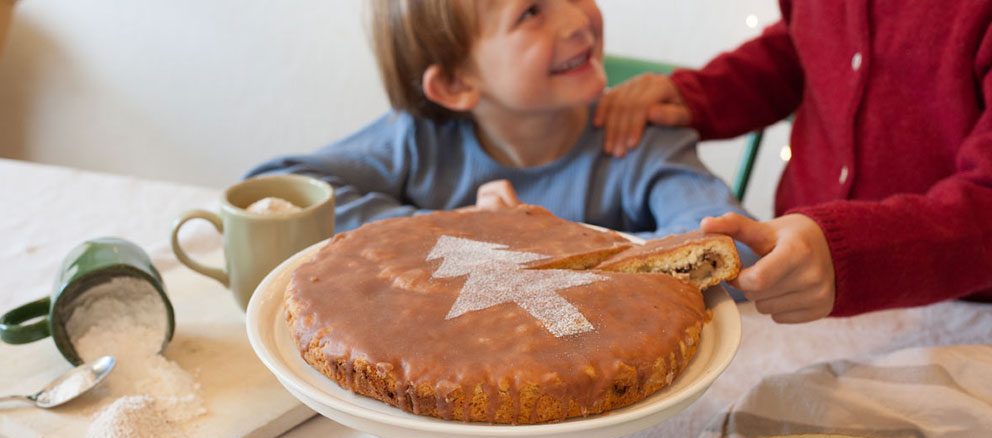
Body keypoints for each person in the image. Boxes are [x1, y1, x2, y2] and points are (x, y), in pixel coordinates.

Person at [594, 1, 992, 323]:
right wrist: (701, 93)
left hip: (959, 311)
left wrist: (850, 253)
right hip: (798, 282)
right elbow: (801, 45)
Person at [247, 0, 745, 242]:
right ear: (456, 86)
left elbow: (733, 246)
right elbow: (274, 195)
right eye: (531, 12)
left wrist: (544, 248)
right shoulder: (421, 139)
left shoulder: (637, 137)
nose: (576, 21)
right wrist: (455, 231)